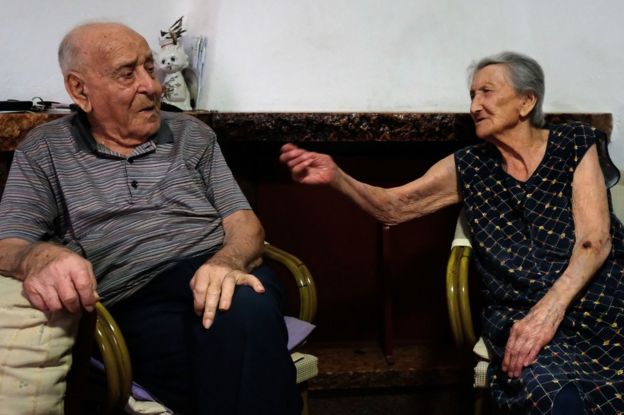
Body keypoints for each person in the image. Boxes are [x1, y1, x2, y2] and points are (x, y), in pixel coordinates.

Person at [280, 51, 624, 414]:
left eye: (487, 92)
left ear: (526, 101)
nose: (475, 106)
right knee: (553, 393)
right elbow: (392, 208)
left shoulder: (573, 142)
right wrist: (337, 178)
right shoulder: (469, 165)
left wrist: (550, 312)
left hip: (600, 300)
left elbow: (594, 241)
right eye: (472, 95)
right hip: (519, 315)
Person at [0, 22, 301, 415]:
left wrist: (225, 262)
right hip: (133, 298)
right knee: (236, 353)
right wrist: (41, 258)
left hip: (220, 270)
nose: (153, 86)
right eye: (129, 74)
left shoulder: (193, 135)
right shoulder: (45, 150)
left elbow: (243, 221)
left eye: (150, 67)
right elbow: (10, 244)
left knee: (242, 301)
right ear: (80, 90)